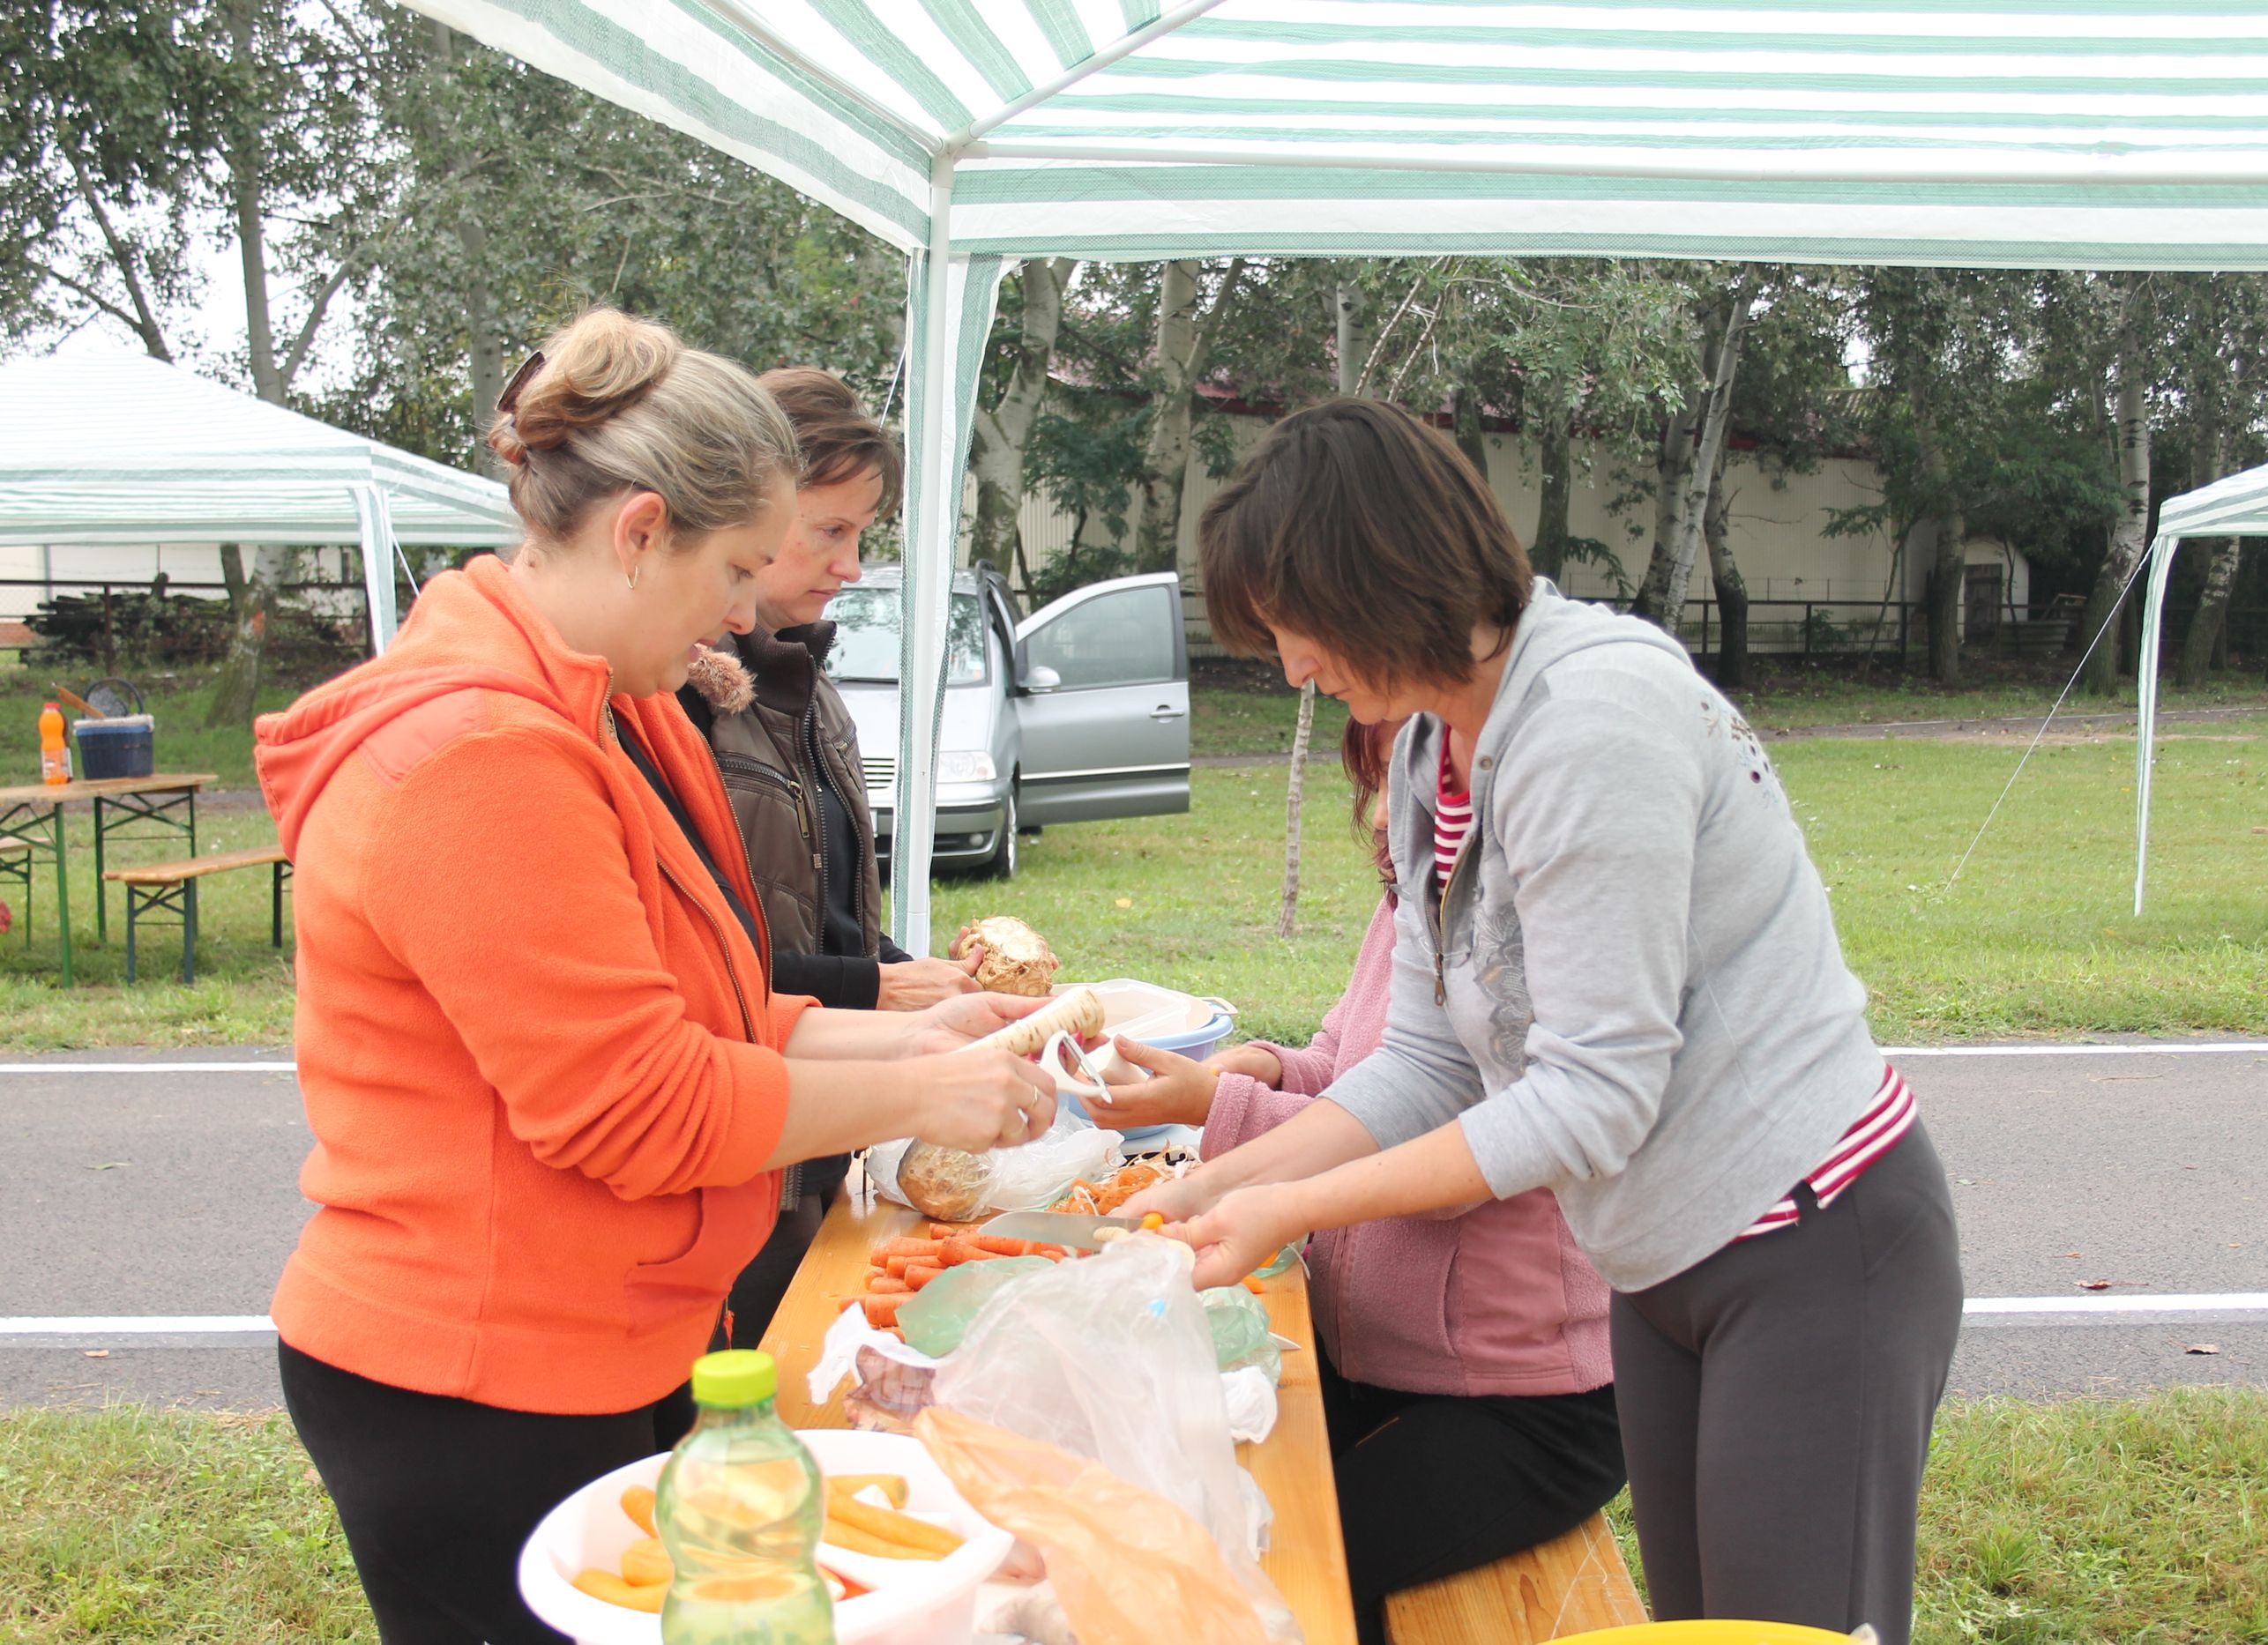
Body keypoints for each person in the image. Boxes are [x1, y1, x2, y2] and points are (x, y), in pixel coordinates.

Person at [253, 309, 1056, 1645]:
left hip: (604, 1342)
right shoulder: (479, 757)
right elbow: (640, 1105)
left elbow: (708, 1016)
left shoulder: (608, 706)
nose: (747, 609)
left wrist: (922, 1046)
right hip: (478, 1379)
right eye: (737, 566)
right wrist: (927, 1092)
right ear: (638, 533)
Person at [1126, 398, 1963, 1645]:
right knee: (1704, 1628)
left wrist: (1288, 1206)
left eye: (1296, 628)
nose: (1293, 669)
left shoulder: (1590, 719)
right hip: (1658, 1263)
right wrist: (1214, 1186)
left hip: (1810, 1242)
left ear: (1376, 576)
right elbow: (1427, 1061)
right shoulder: (1433, 747)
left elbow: (1592, 1097)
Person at [1097, 716, 1622, 1644]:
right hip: (1373, 1361)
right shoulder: (1410, 904)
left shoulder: (1527, 921)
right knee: (1204, 1499)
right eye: (1375, 780)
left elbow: (1443, 1159)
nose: (1383, 814)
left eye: (1405, 781)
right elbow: (1352, 1064)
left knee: (1276, 1567)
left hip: (1518, 1403)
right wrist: (1250, 1074)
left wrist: (1230, 1147)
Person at [679, 364, 980, 1350]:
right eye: (829, 531)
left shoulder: (808, 690)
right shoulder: (672, 700)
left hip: (804, 1140)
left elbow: (820, 912)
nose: (849, 565)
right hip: (733, 1151)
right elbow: (694, 970)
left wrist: (914, 980)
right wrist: (881, 995)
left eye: (863, 534)